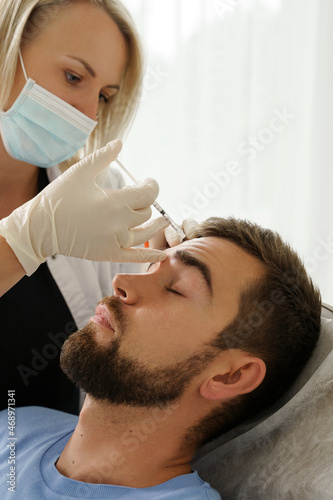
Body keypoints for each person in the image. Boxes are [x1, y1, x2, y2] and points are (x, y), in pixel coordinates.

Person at [0, 217, 322, 499]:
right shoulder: (16, 426)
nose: (121, 282)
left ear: (230, 376)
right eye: (151, 267)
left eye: (176, 289)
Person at [0, 0, 170, 414]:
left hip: (36, 474)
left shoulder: (97, 196)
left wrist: (169, 269)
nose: (89, 114)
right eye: (74, 76)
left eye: (105, 97)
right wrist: (26, 238)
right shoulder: (56, 219)